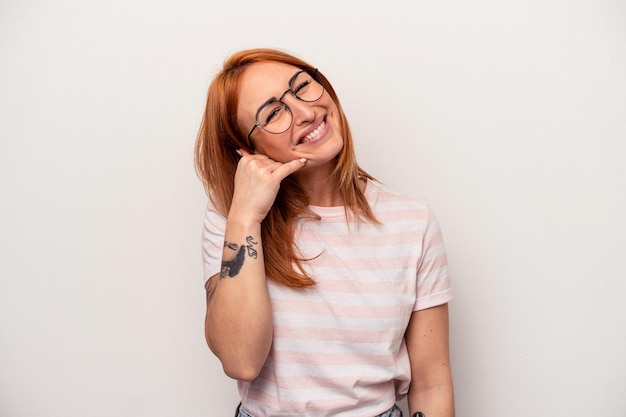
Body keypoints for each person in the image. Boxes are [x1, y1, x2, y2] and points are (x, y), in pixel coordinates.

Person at [195, 48, 455, 417]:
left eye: (302, 86)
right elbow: (240, 361)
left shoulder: (411, 220)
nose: (304, 112)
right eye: (272, 113)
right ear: (247, 148)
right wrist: (246, 216)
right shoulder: (232, 219)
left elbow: (432, 383)